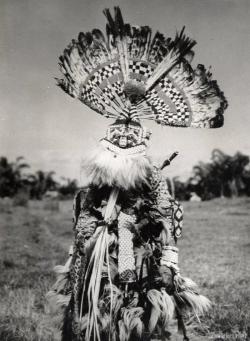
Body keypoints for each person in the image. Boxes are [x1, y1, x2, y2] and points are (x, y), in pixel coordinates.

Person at [47, 7, 227, 341]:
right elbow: (82, 223)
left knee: (141, 322)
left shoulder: (153, 178)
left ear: (141, 144)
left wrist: (168, 262)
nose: (124, 141)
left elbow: (168, 219)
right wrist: (89, 245)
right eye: (118, 139)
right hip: (99, 266)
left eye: (130, 139)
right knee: (95, 319)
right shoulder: (95, 185)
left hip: (142, 263)